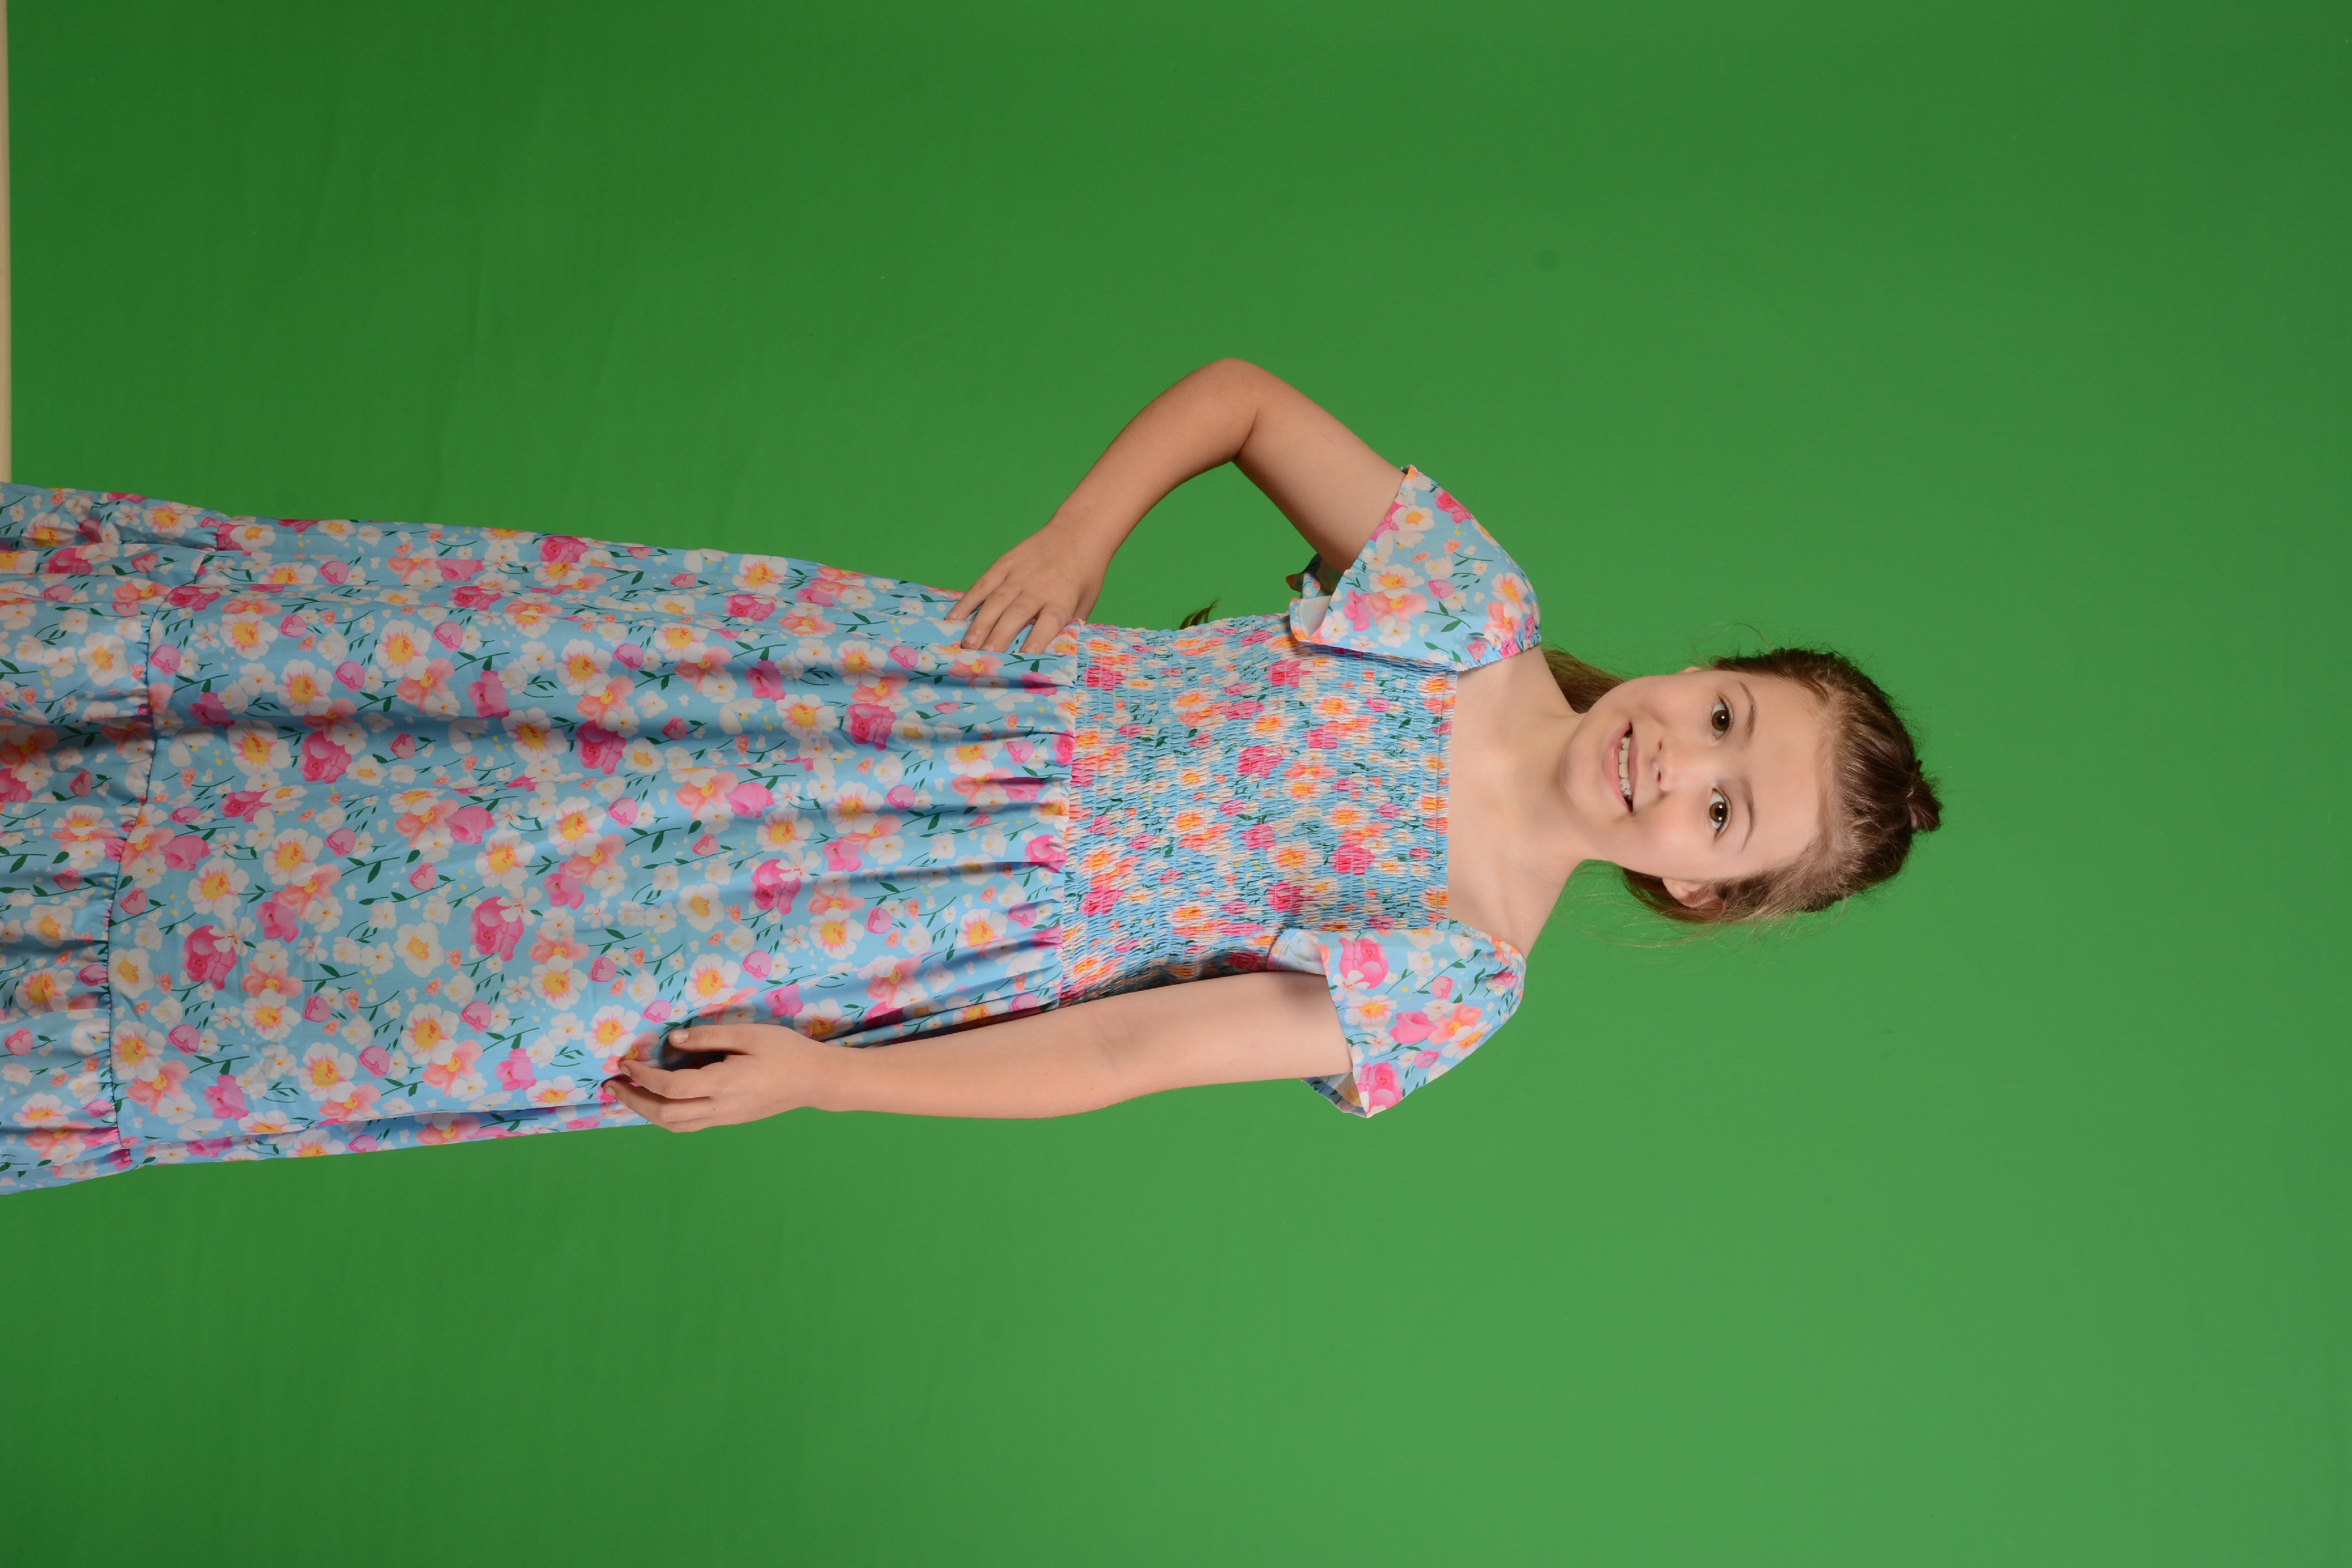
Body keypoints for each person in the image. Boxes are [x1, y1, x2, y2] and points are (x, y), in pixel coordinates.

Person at [0, 360, 1938, 1191]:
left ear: (1697, 886)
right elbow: (1242, 400)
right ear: (1705, 668)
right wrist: (1085, 535)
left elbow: (1129, 1052)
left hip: (874, 929)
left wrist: (829, 1075)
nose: (1676, 762)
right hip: (876, 699)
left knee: (442, 956)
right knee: (479, 690)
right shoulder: (1465, 610)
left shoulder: (1457, 968)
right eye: (1722, 714)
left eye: (1721, 810)